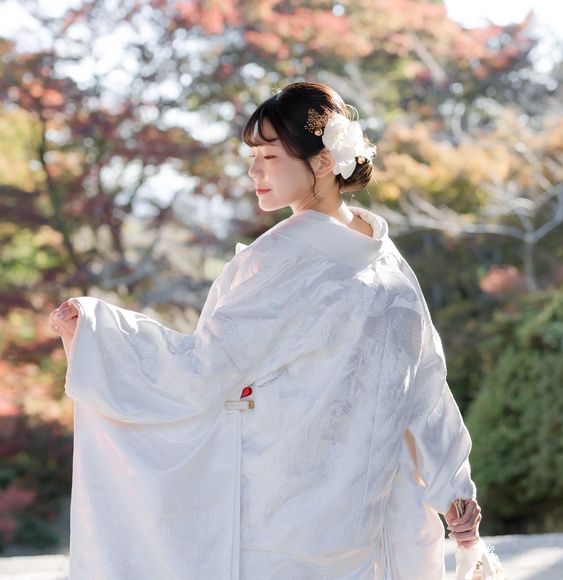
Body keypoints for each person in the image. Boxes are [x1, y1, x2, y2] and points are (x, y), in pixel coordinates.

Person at [51, 82, 484, 579]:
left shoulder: (282, 259)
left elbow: (202, 369)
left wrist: (102, 336)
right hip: (365, 516)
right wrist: (453, 486)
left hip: (292, 517)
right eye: (252, 156)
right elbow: (427, 387)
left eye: (270, 155)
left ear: (325, 160)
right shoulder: (383, 258)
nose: (254, 171)